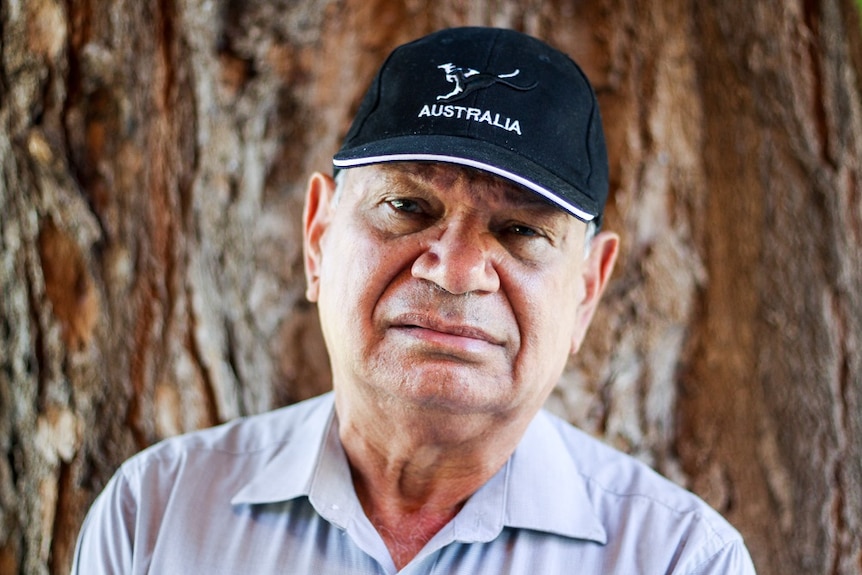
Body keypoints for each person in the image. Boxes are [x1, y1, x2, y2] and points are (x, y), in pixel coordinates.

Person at [72, 27, 757, 574]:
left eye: (520, 231)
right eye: (406, 206)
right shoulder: (154, 518)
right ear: (318, 239)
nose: (457, 271)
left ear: (586, 290)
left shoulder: (679, 559)